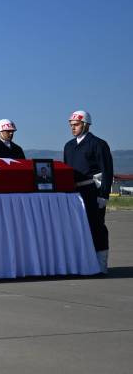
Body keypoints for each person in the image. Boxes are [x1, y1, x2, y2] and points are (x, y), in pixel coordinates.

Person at [64, 110, 114, 275]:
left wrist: (103, 195)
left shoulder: (98, 144)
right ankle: (83, 263)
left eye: (76, 125)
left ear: (85, 125)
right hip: (75, 192)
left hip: (92, 190)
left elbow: (107, 171)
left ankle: (101, 264)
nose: (73, 128)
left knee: (97, 226)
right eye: (71, 125)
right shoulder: (69, 146)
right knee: (77, 227)